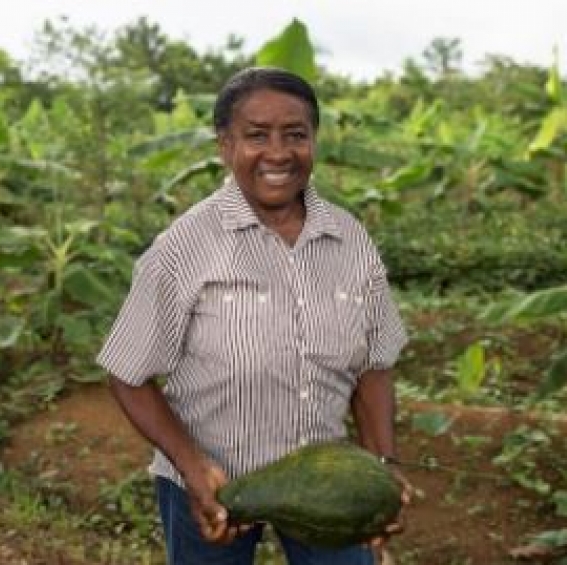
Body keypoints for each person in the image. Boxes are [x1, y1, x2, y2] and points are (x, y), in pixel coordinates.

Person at [96, 66, 409, 565]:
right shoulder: (185, 246)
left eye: (295, 135)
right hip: (214, 484)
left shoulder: (350, 240)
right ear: (225, 145)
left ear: (314, 141)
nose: (278, 153)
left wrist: (383, 466)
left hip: (330, 481)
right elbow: (127, 371)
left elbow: (374, 364)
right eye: (256, 135)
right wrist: (194, 468)